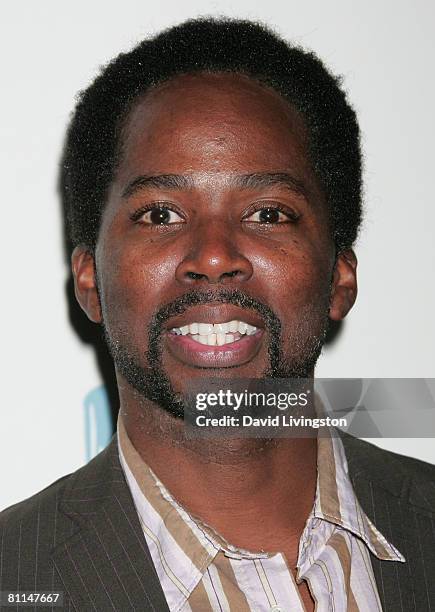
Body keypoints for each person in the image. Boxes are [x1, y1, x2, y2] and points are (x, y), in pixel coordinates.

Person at [1, 17, 434, 612]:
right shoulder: (13, 576)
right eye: (159, 215)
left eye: (268, 214)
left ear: (339, 275)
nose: (212, 256)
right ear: (89, 281)